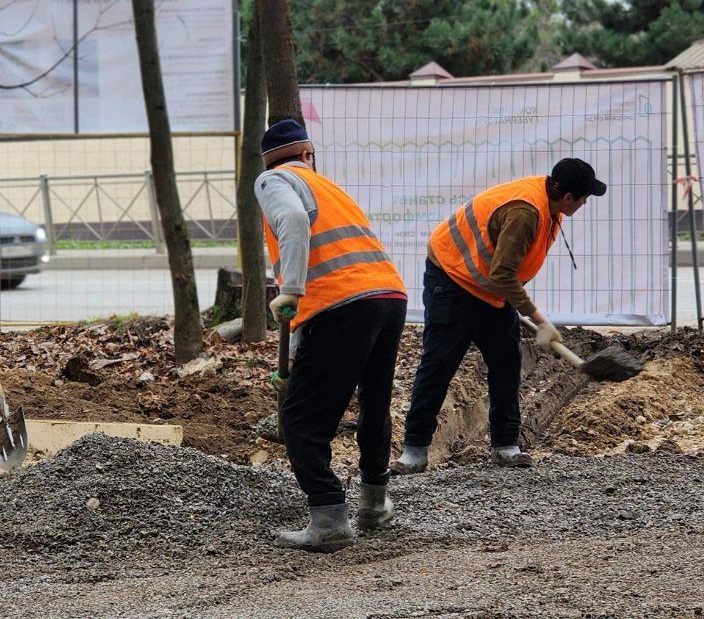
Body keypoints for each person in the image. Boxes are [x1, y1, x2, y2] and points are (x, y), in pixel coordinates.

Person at [391, 158, 607, 474]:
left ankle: (506, 446)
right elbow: (503, 275)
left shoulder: (550, 204)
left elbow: (503, 276)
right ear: (567, 196)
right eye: (584, 197)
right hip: (452, 280)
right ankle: (414, 450)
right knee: (439, 364)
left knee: (506, 361)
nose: (585, 203)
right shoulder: (525, 212)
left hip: (490, 288)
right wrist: (540, 320)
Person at [256, 119, 408, 553]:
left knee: (301, 421)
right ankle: (374, 505)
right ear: (308, 155)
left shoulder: (273, 179)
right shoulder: (330, 188)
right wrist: (292, 365)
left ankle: (328, 520)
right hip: (388, 295)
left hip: (340, 304)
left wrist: (289, 290)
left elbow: (293, 223)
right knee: (374, 401)